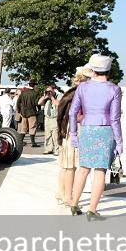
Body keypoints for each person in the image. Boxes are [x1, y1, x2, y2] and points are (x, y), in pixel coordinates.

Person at [68, 54, 122, 219]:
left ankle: (74, 204)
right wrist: (119, 141)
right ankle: (92, 209)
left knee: (83, 169)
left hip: (87, 129)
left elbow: (73, 112)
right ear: (108, 69)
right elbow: (115, 118)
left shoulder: (82, 87)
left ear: (92, 69)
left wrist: (73, 133)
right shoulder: (114, 89)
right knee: (100, 171)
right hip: (105, 130)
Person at [56, 67, 93, 205]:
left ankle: (61, 193)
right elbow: (76, 115)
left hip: (66, 130)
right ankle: (67, 196)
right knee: (71, 166)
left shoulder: (71, 92)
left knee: (65, 166)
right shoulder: (81, 92)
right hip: (74, 130)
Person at [15, 80, 40, 146]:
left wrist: (19, 110)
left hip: (23, 112)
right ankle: (33, 143)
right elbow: (37, 103)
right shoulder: (36, 93)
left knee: (23, 128)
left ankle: (20, 142)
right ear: (34, 85)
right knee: (32, 127)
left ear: (29, 85)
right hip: (32, 112)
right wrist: (39, 110)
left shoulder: (23, 93)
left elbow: (18, 102)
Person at [38, 85, 60, 155]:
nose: (48, 92)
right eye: (47, 91)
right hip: (47, 118)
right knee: (47, 135)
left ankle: (57, 149)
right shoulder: (46, 97)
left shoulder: (58, 96)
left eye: (50, 91)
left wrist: (52, 97)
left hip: (55, 118)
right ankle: (48, 149)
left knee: (55, 135)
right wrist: (45, 97)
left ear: (53, 90)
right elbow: (39, 103)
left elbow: (58, 104)